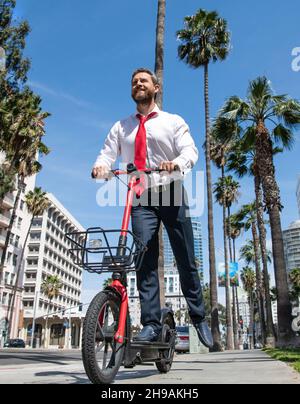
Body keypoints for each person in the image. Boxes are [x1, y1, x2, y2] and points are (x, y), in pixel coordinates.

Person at [92, 68, 213, 348]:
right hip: (141, 196)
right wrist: (101, 166)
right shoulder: (122, 126)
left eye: (143, 81)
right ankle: (150, 324)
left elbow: (190, 150)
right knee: (144, 260)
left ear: (155, 88)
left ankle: (198, 316)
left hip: (170, 191)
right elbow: (107, 153)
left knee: (185, 259)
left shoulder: (172, 121)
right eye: (134, 81)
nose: (138, 84)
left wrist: (177, 163)